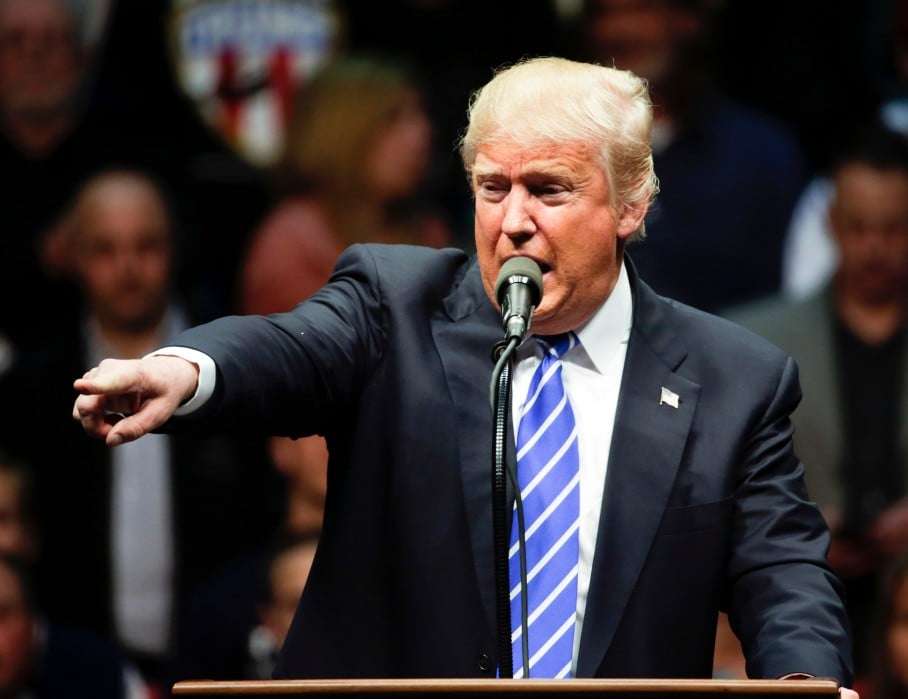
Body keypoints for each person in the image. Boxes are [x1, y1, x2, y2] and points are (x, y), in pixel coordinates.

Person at [73, 57, 852, 684]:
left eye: (548, 189)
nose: (514, 221)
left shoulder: (734, 379)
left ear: (631, 206)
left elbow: (784, 573)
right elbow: (292, 347)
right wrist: (187, 368)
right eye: (492, 188)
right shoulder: (394, 304)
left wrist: (804, 681)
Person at [1, 169, 280, 688]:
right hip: (71, 671)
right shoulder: (32, 390)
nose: (127, 268)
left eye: (146, 246)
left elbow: (258, 519)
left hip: (217, 663)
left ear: (174, 249)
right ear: (73, 256)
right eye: (104, 250)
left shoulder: (231, 364)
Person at [729, 126, 908, 675]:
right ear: (831, 222)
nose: (874, 246)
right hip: (793, 594)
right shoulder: (754, 341)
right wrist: (799, 522)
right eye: (857, 227)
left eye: (893, 228)